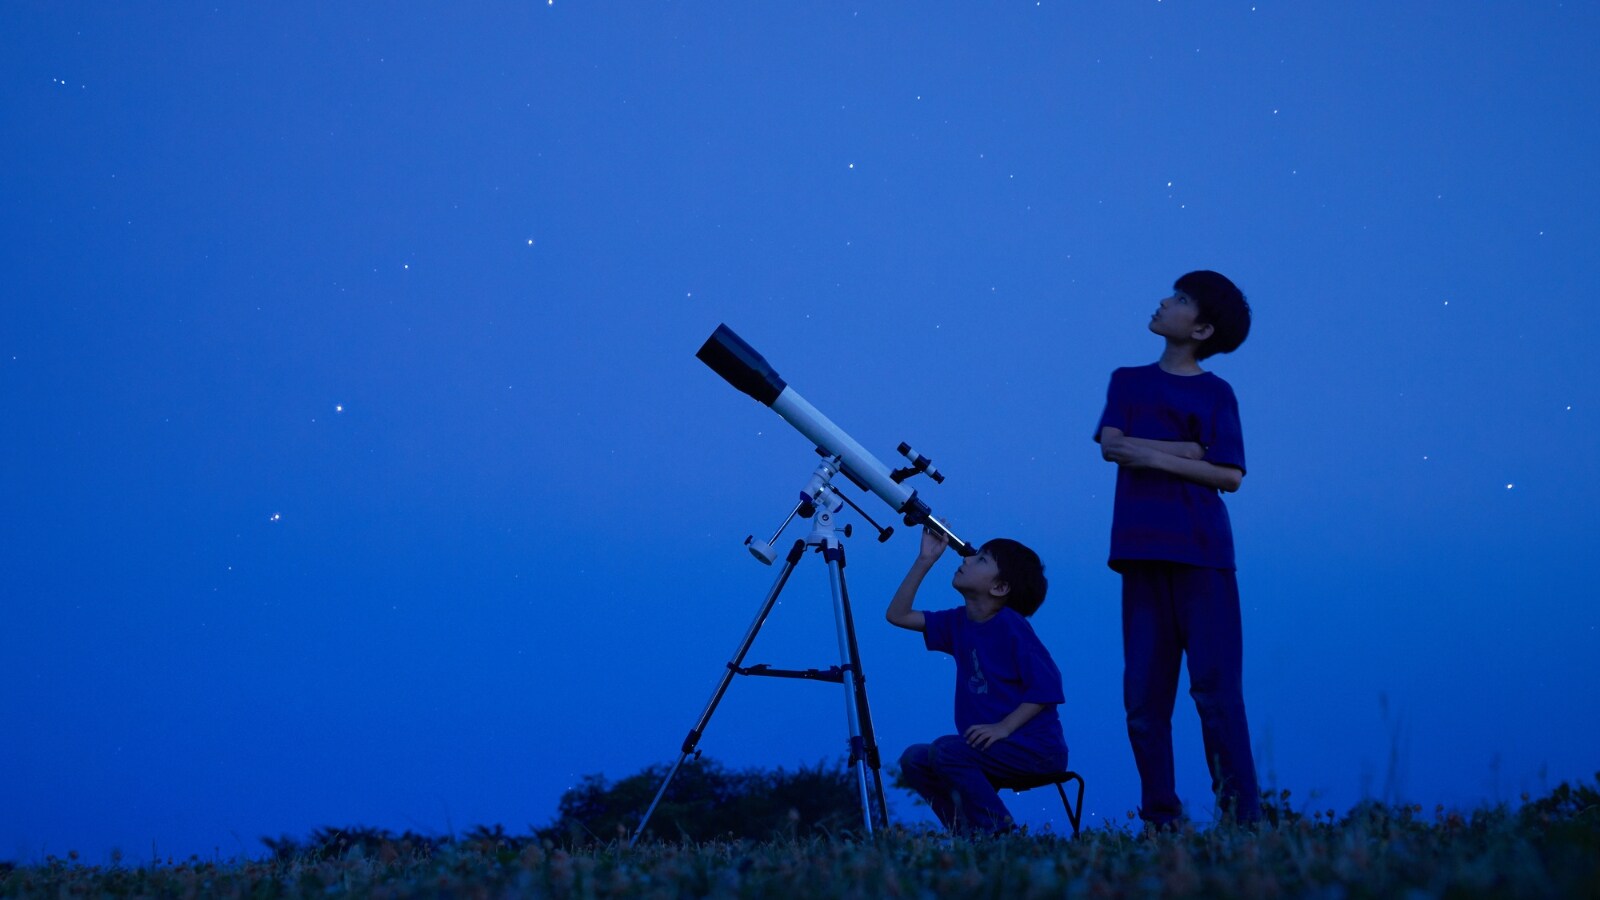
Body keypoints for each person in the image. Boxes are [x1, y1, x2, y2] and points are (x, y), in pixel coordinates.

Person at [1094, 269, 1261, 827]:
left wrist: (1162, 456)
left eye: (1182, 300)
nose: (1165, 302)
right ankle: (1161, 822)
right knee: (1142, 704)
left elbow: (1231, 475)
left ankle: (1241, 822)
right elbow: (1112, 448)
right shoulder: (1127, 381)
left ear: (1203, 328)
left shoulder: (1217, 392)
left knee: (1216, 694)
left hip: (1203, 554)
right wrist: (1192, 452)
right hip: (1141, 556)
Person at [887, 525, 1069, 834]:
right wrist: (924, 561)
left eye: (982, 560)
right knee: (915, 758)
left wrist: (1003, 728)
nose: (968, 559)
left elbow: (1048, 688)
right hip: (990, 749)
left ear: (999, 588)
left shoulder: (1011, 627)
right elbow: (898, 615)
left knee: (946, 750)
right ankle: (966, 833)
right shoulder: (958, 622)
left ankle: (998, 833)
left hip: (1035, 751)